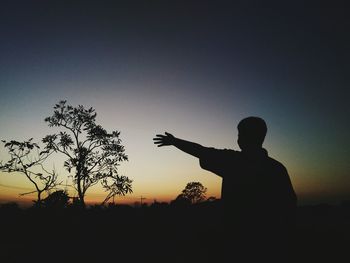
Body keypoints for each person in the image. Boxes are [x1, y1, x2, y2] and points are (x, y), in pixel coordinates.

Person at [153, 116, 297, 261]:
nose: (239, 138)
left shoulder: (233, 161)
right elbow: (289, 205)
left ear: (246, 137)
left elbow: (201, 151)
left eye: (241, 134)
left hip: (237, 241)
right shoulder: (277, 169)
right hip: (268, 244)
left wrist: (175, 141)